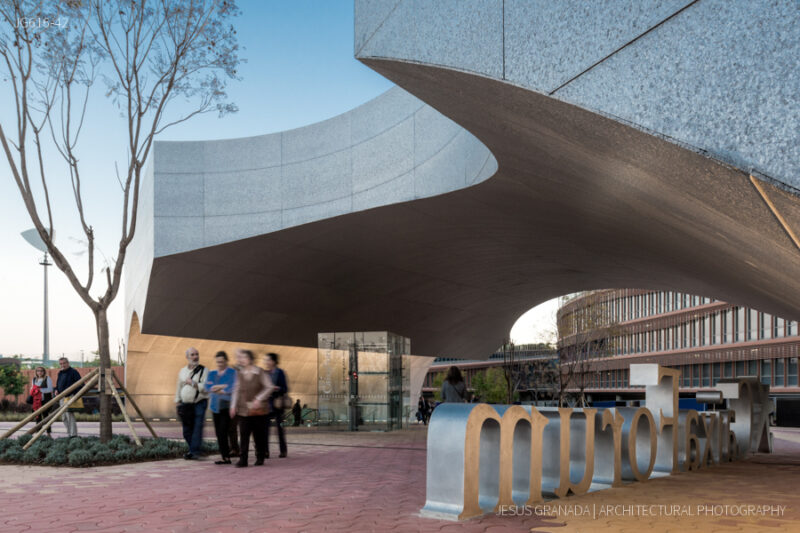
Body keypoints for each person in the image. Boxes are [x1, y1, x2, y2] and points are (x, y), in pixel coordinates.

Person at [230, 349, 274, 467]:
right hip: (244, 410)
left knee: (258, 435)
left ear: (249, 359)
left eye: (243, 358)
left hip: (259, 410)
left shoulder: (260, 372)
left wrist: (259, 398)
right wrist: (233, 406)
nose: (240, 360)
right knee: (244, 434)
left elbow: (269, 387)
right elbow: (236, 390)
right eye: (240, 358)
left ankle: (260, 456)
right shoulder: (239, 373)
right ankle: (243, 459)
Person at [174, 347, 208, 460]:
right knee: (186, 431)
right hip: (185, 404)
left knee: (197, 427)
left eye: (197, 354)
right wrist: (177, 401)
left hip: (199, 403)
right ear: (187, 357)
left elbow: (206, 387)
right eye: (192, 354)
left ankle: (194, 452)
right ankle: (194, 450)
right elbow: (178, 386)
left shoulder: (204, 370)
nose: (195, 357)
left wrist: (193, 383)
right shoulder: (182, 371)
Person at [204, 351, 237, 464]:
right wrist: (222, 387)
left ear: (226, 361)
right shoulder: (212, 373)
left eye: (222, 362)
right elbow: (207, 387)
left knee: (223, 430)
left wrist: (219, 388)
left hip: (226, 406)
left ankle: (227, 457)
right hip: (215, 407)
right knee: (218, 432)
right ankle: (224, 456)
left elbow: (232, 387)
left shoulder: (232, 372)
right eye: (218, 362)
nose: (220, 364)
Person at [263, 352, 288, 458]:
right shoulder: (265, 373)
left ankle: (283, 451)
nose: (266, 362)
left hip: (278, 404)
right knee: (265, 429)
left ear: (273, 361)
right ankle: (265, 451)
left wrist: (276, 388)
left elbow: (285, 388)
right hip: (267, 405)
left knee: (280, 429)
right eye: (265, 360)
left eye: (268, 360)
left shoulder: (280, 372)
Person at [55, 358, 81, 437]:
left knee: (69, 416)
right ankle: (70, 433)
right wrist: (56, 390)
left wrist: (73, 395)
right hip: (61, 397)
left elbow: (80, 384)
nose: (63, 365)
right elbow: (58, 384)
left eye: (64, 363)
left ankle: (73, 435)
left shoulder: (74, 372)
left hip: (69, 397)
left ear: (68, 363)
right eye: (61, 364)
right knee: (64, 417)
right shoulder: (60, 373)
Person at [32, 366, 54, 436]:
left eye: (41, 371)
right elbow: (32, 389)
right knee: (37, 416)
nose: (40, 372)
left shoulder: (47, 378)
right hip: (36, 401)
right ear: (36, 372)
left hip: (45, 400)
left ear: (44, 372)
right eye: (38, 371)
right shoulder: (34, 379)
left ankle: (48, 433)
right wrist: (34, 391)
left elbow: (50, 389)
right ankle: (38, 433)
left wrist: (39, 390)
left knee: (46, 416)